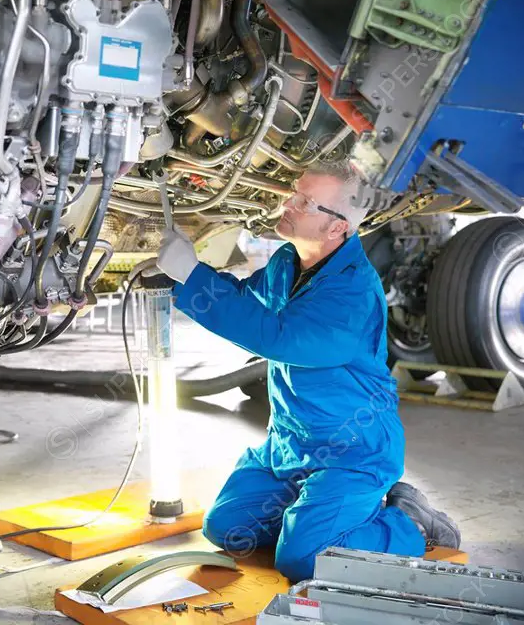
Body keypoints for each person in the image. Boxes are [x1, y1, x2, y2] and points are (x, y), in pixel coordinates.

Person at [155, 160, 461, 582]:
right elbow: (245, 298)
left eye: (304, 201)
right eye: (294, 194)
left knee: (303, 562)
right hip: (291, 445)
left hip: (351, 452)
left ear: (337, 228)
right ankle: (319, 516)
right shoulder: (288, 262)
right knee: (226, 529)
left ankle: (408, 524)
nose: (289, 203)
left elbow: (278, 335)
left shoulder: (352, 291)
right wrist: (175, 280)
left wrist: (191, 273)